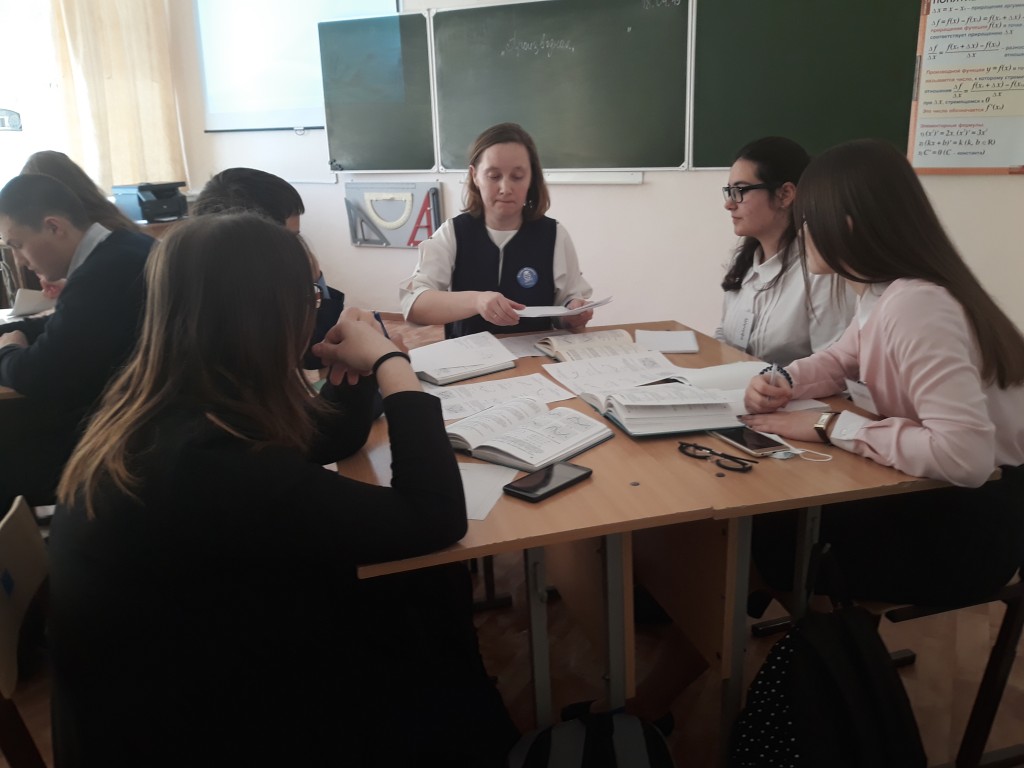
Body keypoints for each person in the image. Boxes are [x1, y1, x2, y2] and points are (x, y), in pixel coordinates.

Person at [47, 213, 519, 766]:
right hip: (200, 727)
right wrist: (393, 365)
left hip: (171, 679)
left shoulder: (170, 403)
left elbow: (321, 440)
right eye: (313, 295)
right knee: (426, 586)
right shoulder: (214, 465)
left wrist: (354, 374)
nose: (320, 307)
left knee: (418, 586)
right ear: (270, 315)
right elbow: (436, 515)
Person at [739, 138, 1024, 606]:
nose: (801, 233)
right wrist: (783, 381)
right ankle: (799, 630)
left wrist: (829, 425)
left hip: (971, 525)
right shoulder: (883, 292)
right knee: (769, 515)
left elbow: (964, 457)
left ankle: (825, 640)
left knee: (769, 526)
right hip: (940, 494)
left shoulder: (917, 304)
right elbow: (839, 359)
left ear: (846, 225)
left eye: (808, 220)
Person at [0, 173, 154, 512]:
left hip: (120, 438)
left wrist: (7, 351)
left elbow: (38, 374)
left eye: (17, 244)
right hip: (138, 418)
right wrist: (15, 332)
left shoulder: (100, 277)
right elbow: (68, 325)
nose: (19, 260)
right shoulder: (124, 246)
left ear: (54, 227)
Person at [400, 122, 594, 338]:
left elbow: (566, 308)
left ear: (531, 178)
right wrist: (476, 301)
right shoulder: (453, 232)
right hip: (470, 355)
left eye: (517, 177)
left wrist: (573, 314)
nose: (505, 188)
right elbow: (414, 305)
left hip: (535, 354)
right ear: (474, 175)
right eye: (494, 176)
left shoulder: (554, 235)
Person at [715, 137, 852, 365]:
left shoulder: (822, 269)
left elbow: (834, 364)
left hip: (789, 388)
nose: (729, 204)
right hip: (737, 384)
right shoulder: (743, 261)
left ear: (785, 194)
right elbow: (724, 335)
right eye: (729, 191)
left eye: (739, 190)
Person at [192, 166, 347, 369]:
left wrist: (317, 283)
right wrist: (316, 282)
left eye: (297, 238)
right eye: (290, 239)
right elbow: (314, 354)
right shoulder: (234, 306)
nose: (297, 250)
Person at [21, 150, 142, 298]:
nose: (19, 259)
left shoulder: (97, 244)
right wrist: (68, 286)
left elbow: (99, 286)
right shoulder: (116, 226)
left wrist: (73, 292)